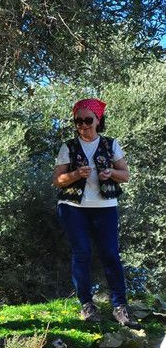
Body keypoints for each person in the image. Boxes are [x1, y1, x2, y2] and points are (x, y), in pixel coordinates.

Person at [52, 98, 138, 327]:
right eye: (78, 121)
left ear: (98, 120)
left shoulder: (111, 144)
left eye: (88, 120)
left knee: (110, 254)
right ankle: (87, 305)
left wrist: (111, 172)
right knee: (82, 253)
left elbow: (126, 175)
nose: (83, 125)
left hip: (105, 207)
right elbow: (58, 180)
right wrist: (75, 174)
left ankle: (120, 306)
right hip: (73, 207)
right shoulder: (68, 147)